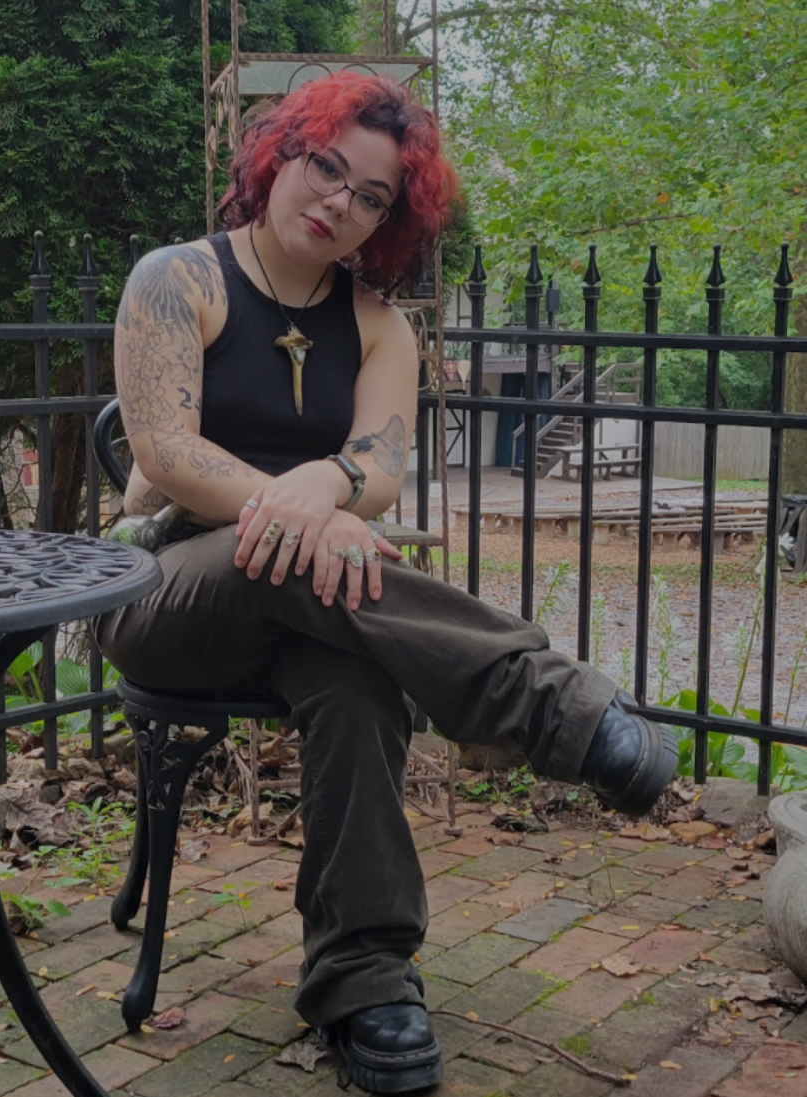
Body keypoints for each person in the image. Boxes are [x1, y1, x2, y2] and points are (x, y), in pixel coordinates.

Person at [94, 72, 676, 1096]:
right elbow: (168, 451)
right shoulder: (176, 280)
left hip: (308, 589)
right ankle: (550, 704)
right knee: (280, 549)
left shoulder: (376, 324)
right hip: (165, 586)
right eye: (329, 169)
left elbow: (384, 464)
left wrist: (330, 483)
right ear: (280, 152)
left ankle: (363, 977)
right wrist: (313, 501)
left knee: (354, 683)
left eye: (371, 197)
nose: (340, 204)